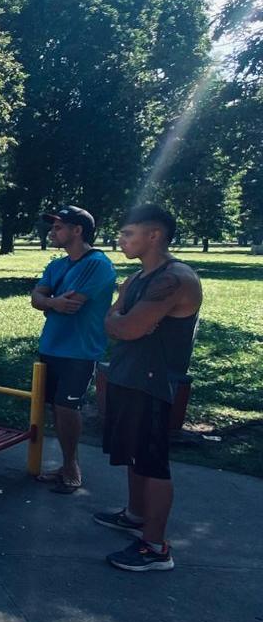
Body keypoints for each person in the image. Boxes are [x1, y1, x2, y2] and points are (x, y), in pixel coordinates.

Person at [96, 204, 202, 572]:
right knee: (133, 453)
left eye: (128, 233)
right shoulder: (138, 278)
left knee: (153, 463)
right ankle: (135, 514)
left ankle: (155, 548)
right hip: (128, 376)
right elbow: (112, 320)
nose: (120, 240)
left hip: (153, 385)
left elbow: (124, 328)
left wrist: (122, 319)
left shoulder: (175, 279)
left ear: (153, 235)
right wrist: (121, 318)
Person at [30, 205, 118, 494]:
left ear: (77, 230)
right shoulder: (57, 265)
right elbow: (38, 298)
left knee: (68, 407)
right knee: (56, 407)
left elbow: (73, 303)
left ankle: (71, 466)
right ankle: (65, 463)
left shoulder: (98, 264)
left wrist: (50, 301)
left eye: (58, 227)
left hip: (80, 351)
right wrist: (52, 302)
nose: (52, 232)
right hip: (51, 346)